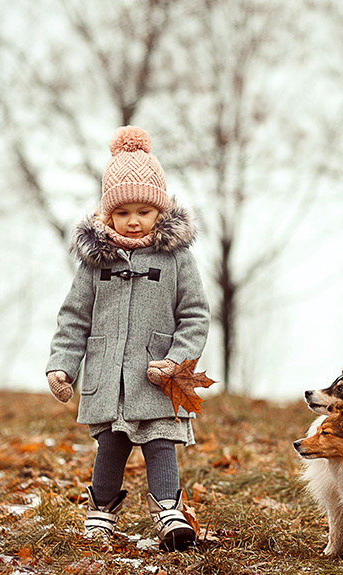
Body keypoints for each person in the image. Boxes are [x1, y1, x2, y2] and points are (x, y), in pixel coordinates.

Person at [46, 125, 210, 551]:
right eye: (122, 212)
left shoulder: (176, 258)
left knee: (161, 442)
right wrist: (62, 366)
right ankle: (100, 511)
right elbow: (74, 318)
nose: (133, 220)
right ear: (108, 215)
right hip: (108, 377)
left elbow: (195, 315)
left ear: (160, 211)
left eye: (144, 210)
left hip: (158, 376)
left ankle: (169, 511)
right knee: (111, 445)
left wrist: (176, 361)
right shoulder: (96, 262)